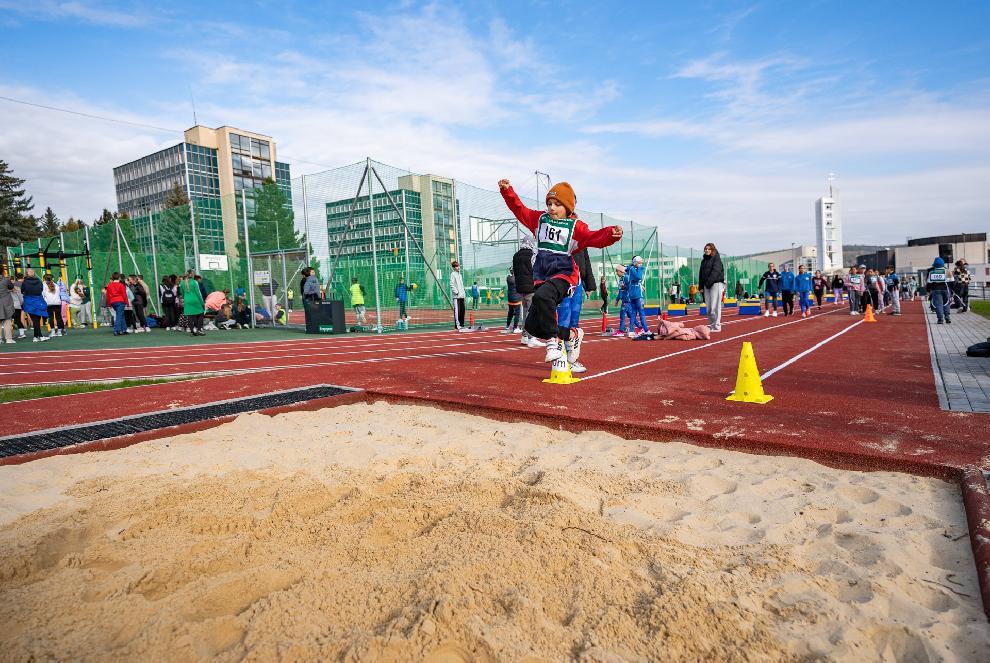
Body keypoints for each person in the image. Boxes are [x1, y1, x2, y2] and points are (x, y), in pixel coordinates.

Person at [499, 178, 622, 362]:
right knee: (533, 326)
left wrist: (610, 233)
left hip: (564, 275)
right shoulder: (540, 220)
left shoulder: (576, 227)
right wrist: (507, 191)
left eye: (557, 204)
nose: (552, 208)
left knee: (542, 297)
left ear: (568, 208)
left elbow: (593, 238)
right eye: (549, 203)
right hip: (542, 276)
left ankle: (553, 343)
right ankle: (572, 335)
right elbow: (519, 209)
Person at [554, 247, 595, 371]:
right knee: (563, 321)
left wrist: (590, 284)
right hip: (562, 279)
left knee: (574, 322)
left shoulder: (581, 236)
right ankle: (560, 359)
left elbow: (586, 260)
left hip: (578, 281)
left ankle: (571, 360)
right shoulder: (557, 232)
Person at [512, 235, 538, 347]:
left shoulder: (516, 256)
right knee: (531, 312)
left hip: (520, 287)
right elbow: (536, 270)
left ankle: (524, 336)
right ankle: (531, 337)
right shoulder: (532, 255)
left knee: (525, 311)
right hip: (531, 286)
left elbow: (515, 272)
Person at [698, 242, 725, 332]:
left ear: (712, 250)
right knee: (709, 307)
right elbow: (701, 274)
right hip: (706, 285)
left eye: (709, 249)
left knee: (715, 306)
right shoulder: (704, 261)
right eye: (705, 249)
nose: (707, 250)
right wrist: (701, 286)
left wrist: (708, 283)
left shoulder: (716, 259)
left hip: (716, 284)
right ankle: (712, 325)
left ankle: (717, 326)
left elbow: (716, 272)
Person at [20, 269, 49, 342]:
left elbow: (22, 291)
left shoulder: (25, 282)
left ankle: (38, 336)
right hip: (38, 301)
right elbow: (41, 290)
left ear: (26, 274)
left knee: (34, 319)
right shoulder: (39, 281)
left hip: (29, 301)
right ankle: (37, 336)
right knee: (37, 319)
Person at [626, 255, 648, 336]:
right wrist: (640, 268)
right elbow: (639, 277)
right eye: (639, 263)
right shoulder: (633, 270)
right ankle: (645, 330)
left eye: (641, 263)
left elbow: (635, 280)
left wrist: (641, 285)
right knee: (641, 313)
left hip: (632, 294)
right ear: (635, 263)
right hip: (637, 295)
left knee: (633, 313)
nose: (641, 264)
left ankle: (631, 331)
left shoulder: (631, 269)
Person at [927, 257, 954, 324]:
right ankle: (947, 317)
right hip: (946, 289)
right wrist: (953, 290)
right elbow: (952, 282)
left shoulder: (931, 272)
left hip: (935, 289)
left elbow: (929, 283)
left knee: (938, 304)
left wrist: (928, 290)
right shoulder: (947, 271)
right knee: (946, 303)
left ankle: (940, 319)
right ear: (943, 264)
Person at [105, 272, 128, 336]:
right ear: (119, 277)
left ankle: (124, 330)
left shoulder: (109, 285)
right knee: (119, 316)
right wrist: (127, 302)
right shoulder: (121, 285)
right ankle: (116, 330)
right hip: (120, 301)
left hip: (113, 302)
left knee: (121, 315)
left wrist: (109, 304)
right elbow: (124, 294)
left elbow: (108, 295)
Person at [503, 268, 522, 333]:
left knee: (510, 313)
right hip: (517, 299)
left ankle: (507, 326)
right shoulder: (518, 279)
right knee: (517, 314)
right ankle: (515, 328)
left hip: (510, 298)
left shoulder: (508, 278)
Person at [614, 265, 630, 336]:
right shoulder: (621, 279)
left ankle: (621, 331)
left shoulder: (626, 277)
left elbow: (630, 287)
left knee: (622, 315)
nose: (616, 273)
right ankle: (640, 328)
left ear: (621, 271)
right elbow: (621, 290)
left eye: (617, 271)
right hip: (624, 299)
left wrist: (625, 287)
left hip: (627, 299)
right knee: (630, 315)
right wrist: (617, 300)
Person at [449, 260, 466, 330]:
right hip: (456, 297)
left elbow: (461, 285)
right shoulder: (453, 274)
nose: (458, 267)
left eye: (458, 265)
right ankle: (457, 325)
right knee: (457, 311)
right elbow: (451, 284)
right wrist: (456, 292)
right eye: (456, 266)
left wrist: (463, 291)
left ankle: (462, 324)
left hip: (462, 296)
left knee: (462, 310)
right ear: (453, 267)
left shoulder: (460, 275)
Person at [0, 273, 15, 344]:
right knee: (7, 320)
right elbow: (11, 287)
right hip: (6, 301)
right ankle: (8, 338)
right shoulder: (5, 280)